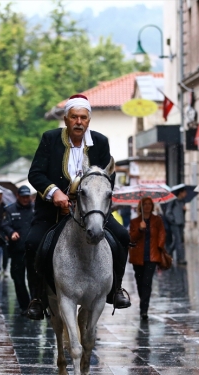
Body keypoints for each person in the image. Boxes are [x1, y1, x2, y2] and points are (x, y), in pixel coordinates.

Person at [23, 94, 131, 320]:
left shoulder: (100, 142)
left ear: (89, 120)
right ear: (66, 119)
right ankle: (38, 297)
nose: (79, 122)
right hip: (53, 210)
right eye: (74, 117)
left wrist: (94, 197)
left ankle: (116, 289)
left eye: (83, 117)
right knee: (33, 243)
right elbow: (35, 174)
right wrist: (55, 193)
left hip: (91, 209)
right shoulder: (50, 139)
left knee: (121, 236)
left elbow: (106, 177)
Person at [129, 197, 166, 321]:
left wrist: (160, 246)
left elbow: (162, 234)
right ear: (141, 206)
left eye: (149, 204)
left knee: (147, 282)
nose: (147, 206)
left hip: (152, 256)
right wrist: (140, 229)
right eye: (145, 204)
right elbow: (131, 239)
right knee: (140, 283)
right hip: (137, 257)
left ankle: (144, 309)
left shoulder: (157, 220)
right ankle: (143, 301)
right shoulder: (135, 222)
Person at [1, 185, 34, 314]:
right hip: (17, 251)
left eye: (27, 197)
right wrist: (11, 233)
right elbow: (5, 224)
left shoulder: (35, 209)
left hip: (32, 251)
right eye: (23, 197)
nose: (26, 199)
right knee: (18, 279)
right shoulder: (10, 210)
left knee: (34, 279)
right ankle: (24, 306)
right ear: (18, 196)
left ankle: (35, 304)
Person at [165, 188, 187, 265]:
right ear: (180, 193)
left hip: (181, 223)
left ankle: (168, 252)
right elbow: (168, 213)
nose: (185, 194)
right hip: (175, 224)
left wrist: (184, 210)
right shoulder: (173, 201)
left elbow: (181, 213)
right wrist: (173, 220)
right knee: (179, 241)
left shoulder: (183, 202)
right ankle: (180, 259)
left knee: (177, 241)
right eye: (184, 192)